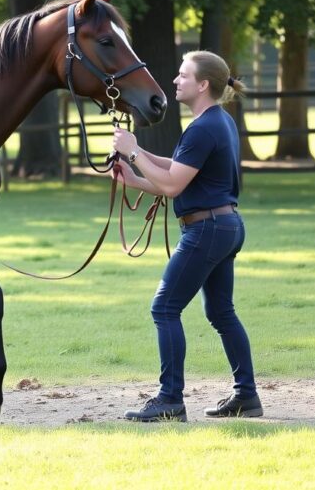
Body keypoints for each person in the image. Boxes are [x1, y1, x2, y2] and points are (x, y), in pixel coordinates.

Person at [110, 50, 261, 423]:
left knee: (164, 308)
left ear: (203, 84)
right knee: (221, 311)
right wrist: (134, 165)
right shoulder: (216, 122)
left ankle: (170, 399)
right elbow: (175, 171)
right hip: (224, 225)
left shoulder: (203, 127)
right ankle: (246, 396)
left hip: (207, 229)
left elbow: (174, 185)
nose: (175, 81)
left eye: (183, 75)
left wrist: (132, 152)